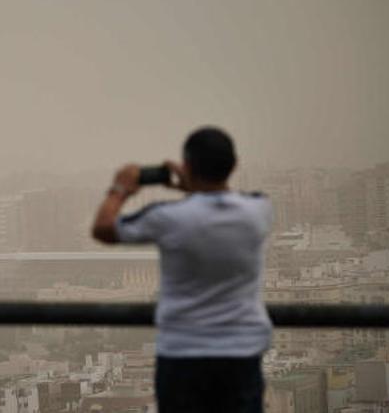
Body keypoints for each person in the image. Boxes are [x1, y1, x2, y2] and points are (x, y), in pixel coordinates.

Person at [90, 126, 272, 413]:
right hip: (241, 352)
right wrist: (194, 186)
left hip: (183, 354)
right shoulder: (259, 211)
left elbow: (103, 229)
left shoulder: (168, 218)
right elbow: (218, 200)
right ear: (234, 165)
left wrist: (120, 188)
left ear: (186, 166)